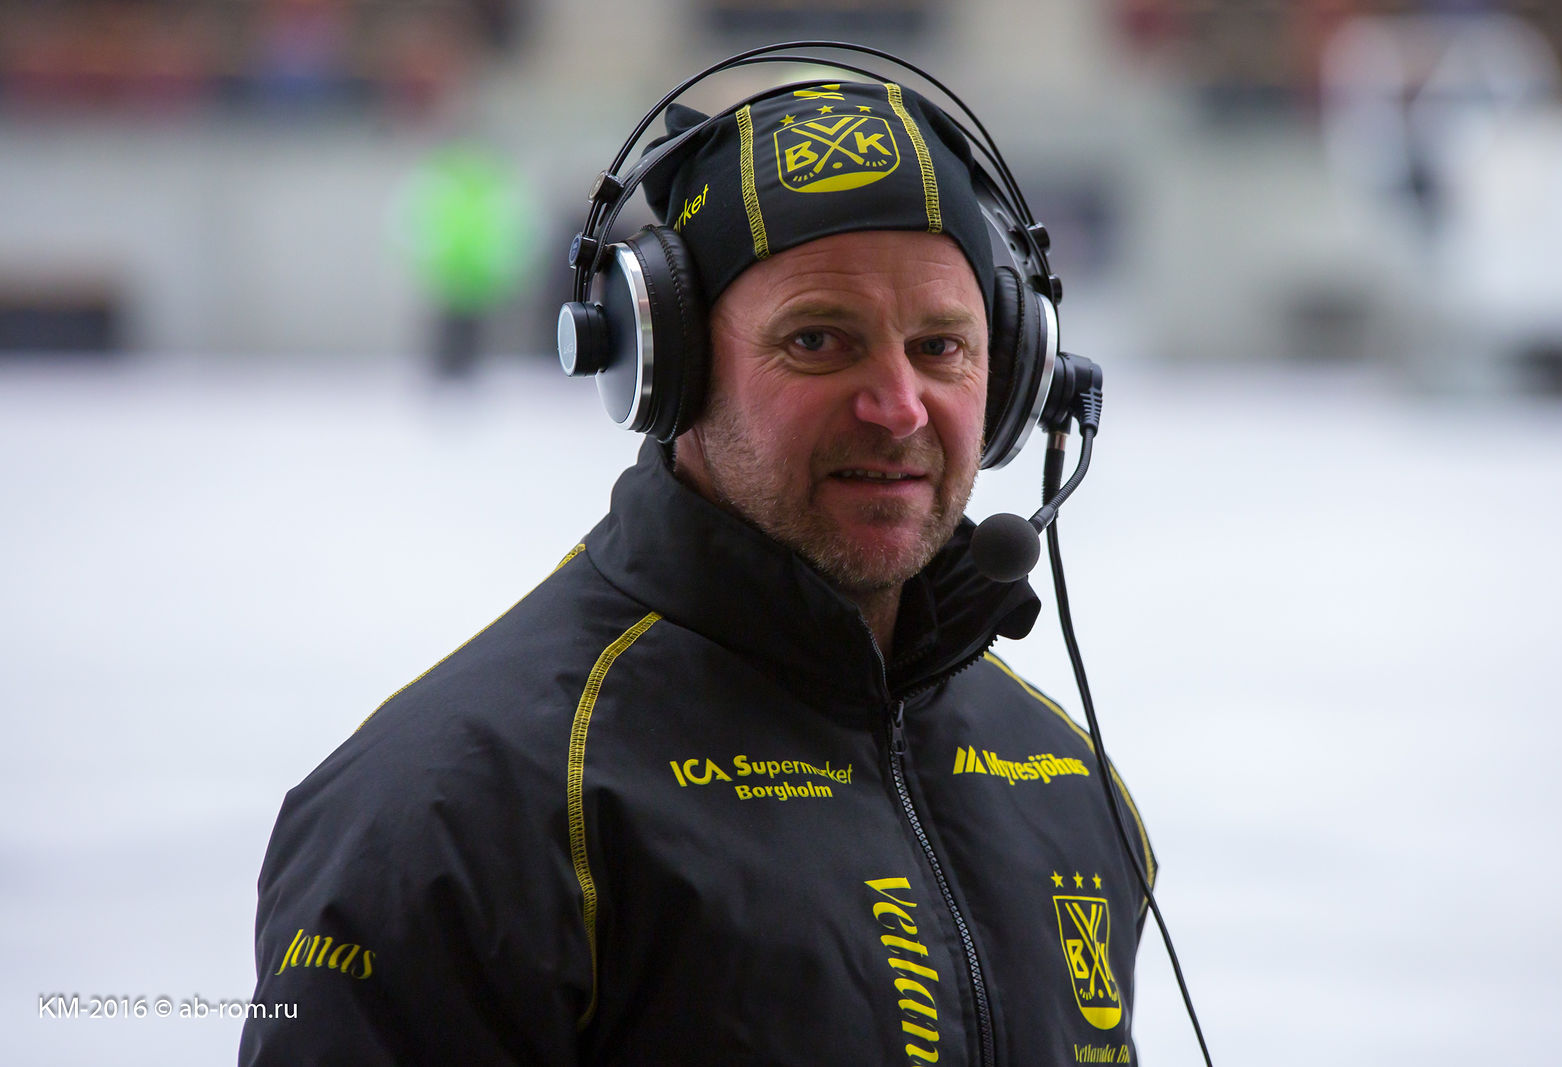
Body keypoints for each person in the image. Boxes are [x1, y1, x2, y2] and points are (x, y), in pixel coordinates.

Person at [242, 72, 1155, 1066]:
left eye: (941, 346)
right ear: (666, 367)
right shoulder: (457, 813)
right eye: (818, 340)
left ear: (1015, 373)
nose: (898, 406)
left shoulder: (1069, 785)